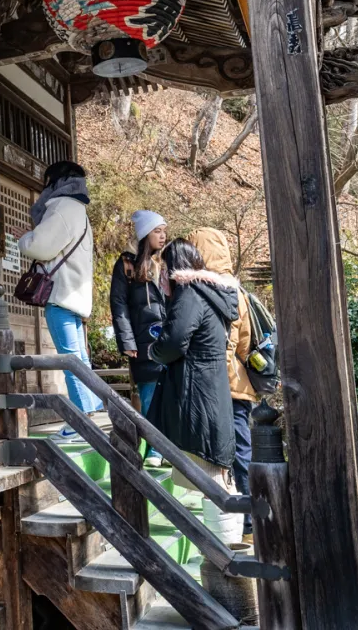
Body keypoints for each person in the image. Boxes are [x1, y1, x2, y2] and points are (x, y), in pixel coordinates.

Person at [148, 238, 242, 543]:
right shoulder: (211, 294)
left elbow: (173, 343)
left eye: (163, 270)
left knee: (212, 482)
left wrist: (153, 350)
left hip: (197, 399)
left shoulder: (189, 294)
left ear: (174, 270)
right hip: (211, 395)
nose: (160, 277)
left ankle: (225, 558)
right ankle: (226, 554)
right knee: (215, 477)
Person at [17, 160, 103, 441]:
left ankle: (80, 423)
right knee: (80, 361)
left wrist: (24, 240)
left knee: (70, 361)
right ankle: (90, 414)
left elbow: (41, 245)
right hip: (75, 295)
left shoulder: (62, 206)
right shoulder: (80, 210)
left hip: (61, 294)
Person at [185, 227, 257, 543]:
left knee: (216, 453)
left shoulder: (194, 291)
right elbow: (246, 344)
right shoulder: (238, 294)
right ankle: (251, 521)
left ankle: (226, 519)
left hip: (209, 386)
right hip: (237, 386)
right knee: (242, 450)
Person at [109, 210, 169, 464]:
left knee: (169, 393)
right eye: (157, 231)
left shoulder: (166, 262)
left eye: (164, 230)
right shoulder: (127, 265)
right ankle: (154, 449)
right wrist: (127, 342)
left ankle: (168, 448)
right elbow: (119, 304)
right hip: (142, 342)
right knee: (148, 395)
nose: (163, 235)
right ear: (145, 234)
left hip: (167, 339)